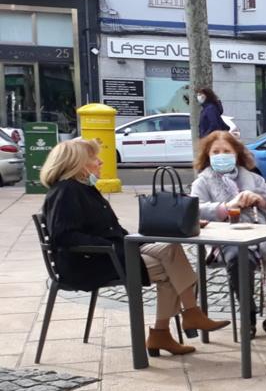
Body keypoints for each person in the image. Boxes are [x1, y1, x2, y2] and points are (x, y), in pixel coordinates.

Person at [40, 138, 228, 355]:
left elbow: (110, 229)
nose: (100, 162)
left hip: (112, 251)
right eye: (94, 158)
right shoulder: (66, 191)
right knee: (169, 271)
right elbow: (64, 236)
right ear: (78, 164)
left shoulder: (83, 189)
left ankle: (184, 319)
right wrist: (114, 246)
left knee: (171, 249)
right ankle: (169, 328)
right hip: (91, 262)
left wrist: (137, 239)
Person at [190, 132, 266, 337]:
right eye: (216, 152)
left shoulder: (254, 178)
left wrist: (261, 200)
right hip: (225, 240)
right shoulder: (202, 182)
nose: (221, 155)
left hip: (264, 235)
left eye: (226, 151)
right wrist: (225, 207)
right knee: (238, 256)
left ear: (236, 154)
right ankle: (248, 314)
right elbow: (194, 209)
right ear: (208, 155)